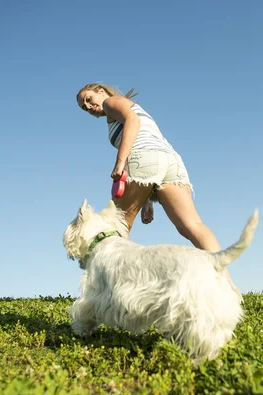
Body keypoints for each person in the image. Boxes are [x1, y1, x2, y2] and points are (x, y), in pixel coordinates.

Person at [76, 83, 240, 297]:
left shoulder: (111, 102)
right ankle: (227, 286)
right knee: (192, 226)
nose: (88, 106)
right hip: (170, 161)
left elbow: (132, 123)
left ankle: (121, 292)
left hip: (143, 158)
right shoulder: (131, 106)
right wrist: (147, 200)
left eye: (88, 99)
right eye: (83, 107)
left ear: (101, 91)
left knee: (118, 227)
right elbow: (150, 145)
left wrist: (120, 161)